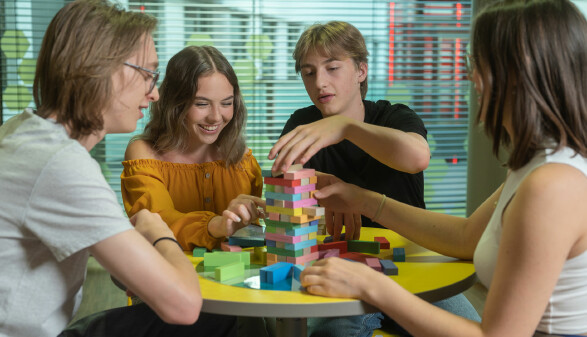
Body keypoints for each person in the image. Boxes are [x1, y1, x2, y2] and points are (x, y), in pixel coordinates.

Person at [300, 0, 587, 336]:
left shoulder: (553, 184)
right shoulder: (537, 165)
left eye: (479, 63)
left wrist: (370, 284)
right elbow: (465, 237)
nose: (472, 78)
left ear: (519, 72)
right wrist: (362, 200)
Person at [0, 1, 235, 336]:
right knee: (209, 319)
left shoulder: (23, 132)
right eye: (149, 74)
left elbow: (118, 267)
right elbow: (183, 306)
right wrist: (159, 235)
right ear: (103, 69)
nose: (154, 94)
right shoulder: (60, 164)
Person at [268, 21, 478, 337]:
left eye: (332, 68)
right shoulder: (302, 122)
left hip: (409, 265)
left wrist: (345, 127)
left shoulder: (394, 116)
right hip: (340, 270)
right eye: (309, 73)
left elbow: (417, 158)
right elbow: (285, 180)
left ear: (361, 71)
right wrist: (317, 182)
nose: (320, 82)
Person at [121, 45, 264, 252]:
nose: (216, 117)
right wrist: (216, 225)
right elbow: (156, 224)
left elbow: (250, 239)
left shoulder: (242, 159)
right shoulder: (143, 153)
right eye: (201, 104)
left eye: (226, 103)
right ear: (175, 104)